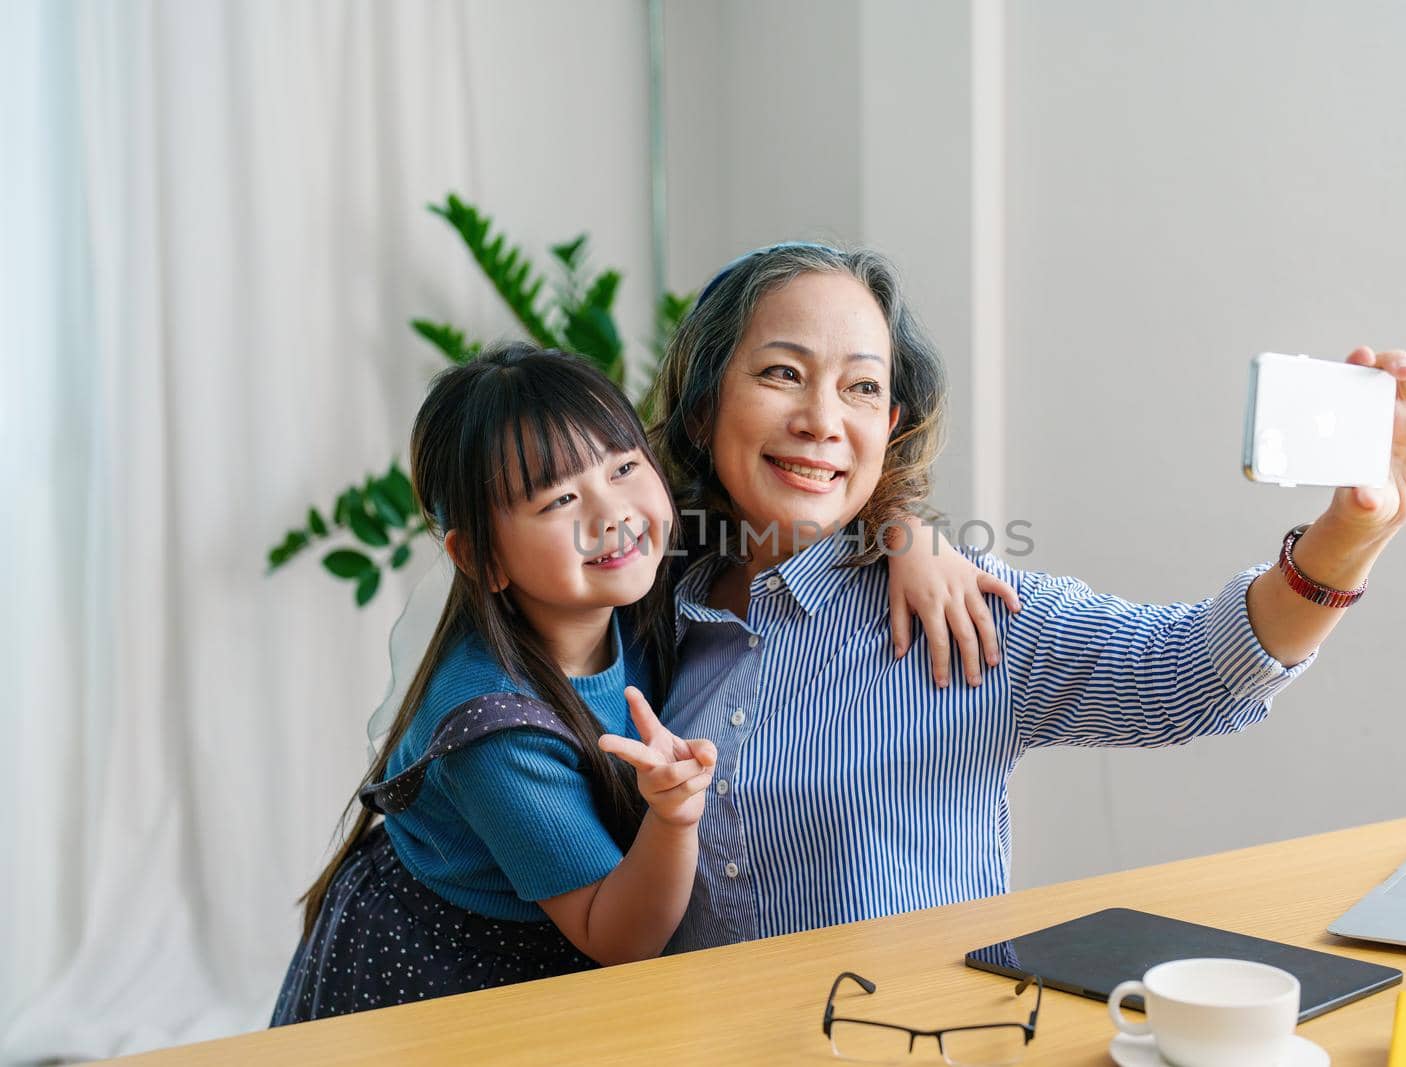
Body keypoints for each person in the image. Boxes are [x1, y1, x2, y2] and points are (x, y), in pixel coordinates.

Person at [644, 242, 1406, 952]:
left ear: (890, 422)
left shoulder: (958, 612)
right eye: (783, 373)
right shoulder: (642, 611)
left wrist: (1351, 537)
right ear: (706, 398)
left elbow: (1195, 671)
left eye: (860, 387)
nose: (823, 418)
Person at [273, 342, 1010, 1024]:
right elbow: (615, 933)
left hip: (562, 946)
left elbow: (804, 509)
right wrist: (674, 816)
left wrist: (909, 534)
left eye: (624, 466)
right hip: (449, 972)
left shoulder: (649, 562)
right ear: (482, 557)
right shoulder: (495, 731)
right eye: (557, 500)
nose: (611, 513)